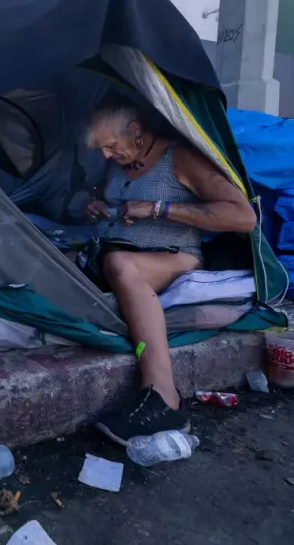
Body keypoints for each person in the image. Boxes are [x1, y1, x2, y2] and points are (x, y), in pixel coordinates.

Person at [83, 93, 256, 445]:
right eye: (101, 148)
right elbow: (113, 197)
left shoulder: (179, 157)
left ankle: (164, 397)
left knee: (120, 264)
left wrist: (160, 209)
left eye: (111, 145)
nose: (105, 155)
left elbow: (243, 217)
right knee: (61, 261)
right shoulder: (118, 161)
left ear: (135, 130)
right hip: (116, 250)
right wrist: (98, 206)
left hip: (174, 257)